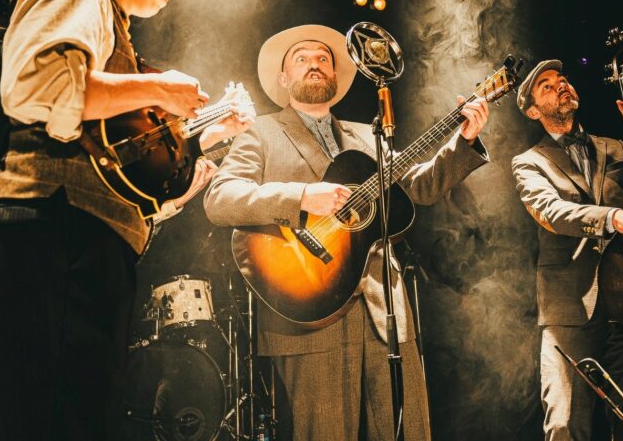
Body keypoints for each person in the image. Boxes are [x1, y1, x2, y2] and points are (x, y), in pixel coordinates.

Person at [0, 0, 252, 441]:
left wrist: (202, 138)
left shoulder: (109, 23)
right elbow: (38, 87)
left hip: (77, 239)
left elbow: (116, 161)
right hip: (55, 236)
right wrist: (159, 86)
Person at [204, 24, 491, 440]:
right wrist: (303, 195)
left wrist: (463, 141)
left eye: (323, 59)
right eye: (301, 59)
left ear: (336, 77)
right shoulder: (259, 132)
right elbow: (222, 198)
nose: (315, 65)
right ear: (284, 79)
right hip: (306, 308)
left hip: (383, 312)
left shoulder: (366, 134)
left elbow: (418, 188)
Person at [511, 60, 623, 441]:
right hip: (569, 310)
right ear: (532, 110)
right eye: (546, 86)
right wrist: (614, 217)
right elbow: (552, 212)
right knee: (564, 422)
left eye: (563, 80)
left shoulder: (617, 147)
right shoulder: (529, 162)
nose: (561, 86)